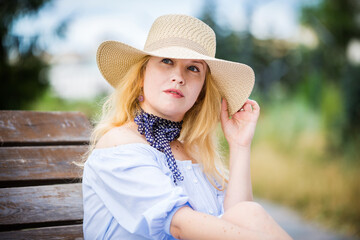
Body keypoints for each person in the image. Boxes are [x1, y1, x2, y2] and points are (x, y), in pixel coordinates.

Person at [81, 14, 292, 240]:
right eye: (166, 61)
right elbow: (179, 225)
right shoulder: (119, 144)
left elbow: (237, 218)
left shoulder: (195, 154)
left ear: (201, 91)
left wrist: (240, 145)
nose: (178, 77)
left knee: (250, 213)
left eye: (193, 68)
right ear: (142, 75)